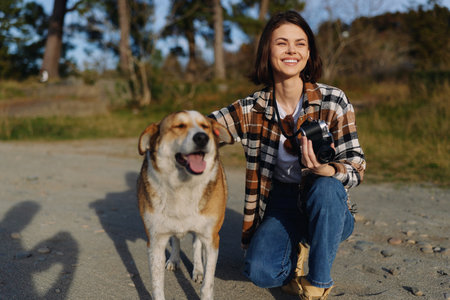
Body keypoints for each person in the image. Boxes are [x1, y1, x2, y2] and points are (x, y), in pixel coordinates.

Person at [209, 10, 366, 300]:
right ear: (267, 51)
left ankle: (318, 283)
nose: (292, 50)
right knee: (261, 272)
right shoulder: (251, 108)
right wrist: (170, 133)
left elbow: (356, 164)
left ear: (309, 52)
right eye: (282, 43)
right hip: (279, 201)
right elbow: (206, 130)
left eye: (300, 43)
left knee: (326, 188)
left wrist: (327, 170)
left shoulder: (333, 100)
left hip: (326, 202)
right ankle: (297, 247)